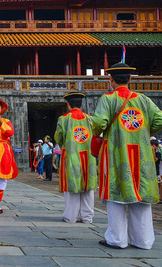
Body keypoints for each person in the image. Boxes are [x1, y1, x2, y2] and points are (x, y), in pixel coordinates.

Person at [92, 62, 162, 250]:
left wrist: (102, 131)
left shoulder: (108, 99)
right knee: (141, 195)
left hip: (117, 152)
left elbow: (99, 122)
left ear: (111, 79)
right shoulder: (144, 100)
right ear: (130, 79)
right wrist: (144, 130)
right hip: (142, 154)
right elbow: (159, 119)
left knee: (115, 194)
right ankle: (143, 240)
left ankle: (117, 239)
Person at [54, 92, 97, 223]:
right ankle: (87, 217)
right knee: (88, 187)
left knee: (71, 186)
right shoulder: (90, 119)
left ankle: (71, 216)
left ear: (68, 104)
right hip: (88, 156)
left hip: (71, 155)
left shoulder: (64, 119)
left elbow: (58, 137)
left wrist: (65, 144)